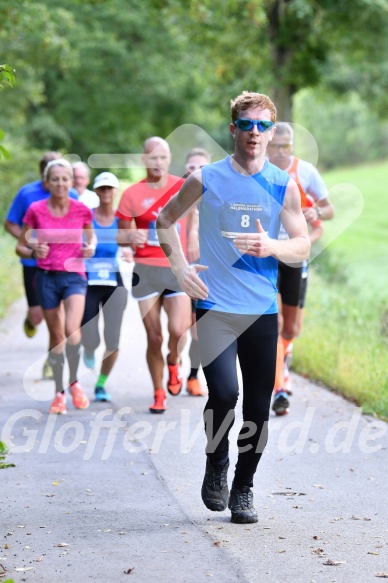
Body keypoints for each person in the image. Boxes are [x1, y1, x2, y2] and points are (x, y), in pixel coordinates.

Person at [156, 91, 310, 524]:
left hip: (261, 310)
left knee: (258, 409)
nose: (256, 133)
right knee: (223, 393)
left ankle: (244, 488)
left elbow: (302, 246)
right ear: (233, 129)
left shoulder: (283, 184)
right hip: (215, 305)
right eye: (248, 124)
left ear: (272, 132)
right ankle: (216, 462)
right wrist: (181, 269)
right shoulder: (207, 178)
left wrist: (273, 245)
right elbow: (164, 221)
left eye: (264, 126)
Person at [16, 159, 96, 415]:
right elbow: (20, 245)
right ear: (47, 182)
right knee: (57, 336)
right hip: (47, 277)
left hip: (74, 276)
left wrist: (90, 248)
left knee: (72, 330)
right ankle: (59, 392)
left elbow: (90, 239)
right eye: (55, 179)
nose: (61, 183)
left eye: (65, 179)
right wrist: (32, 249)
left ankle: (75, 382)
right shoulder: (36, 210)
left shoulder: (82, 210)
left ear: (71, 182)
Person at [117, 137, 191, 414]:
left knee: (177, 331)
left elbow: (194, 218)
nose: (157, 162)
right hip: (145, 270)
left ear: (169, 159)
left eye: (162, 157)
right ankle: (159, 392)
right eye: (152, 157)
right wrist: (129, 236)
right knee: (154, 337)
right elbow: (120, 236)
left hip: (175, 267)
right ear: (144, 160)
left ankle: (174, 361)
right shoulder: (131, 194)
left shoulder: (182, 186)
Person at [266, 122, 334, 415]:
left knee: (292, 328)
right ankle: (279, 388)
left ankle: (287, 352)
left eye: (287, 146)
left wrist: (314, 212)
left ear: (292, 145)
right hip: (267, 255)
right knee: (276, 323)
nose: (281, 152)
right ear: (269, 144)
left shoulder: (305, 172)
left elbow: (328, 210)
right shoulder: (259, 171)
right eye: (276, 146)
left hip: (295, 257)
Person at [4, 151, 78, 379]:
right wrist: (30, 243)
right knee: (39, 316)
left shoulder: (72, 194)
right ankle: (30, 316)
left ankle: (52, 359)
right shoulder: (27, 194)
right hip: (33, 262)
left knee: (58, 316)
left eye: (62, 175)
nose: (57, 181)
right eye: (51, 174)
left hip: (60, 265)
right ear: (43, 175)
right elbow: (10, 224)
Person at [81, 172, 130, 402]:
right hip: (89, 280)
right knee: (90, 336)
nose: (107, 192)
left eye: (111, 188)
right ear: (97, 191)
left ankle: (101, 384)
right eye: (102, 188)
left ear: (115, 191)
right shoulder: (86, 216)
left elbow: (132, 241)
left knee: (113, 339)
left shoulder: (122, 218)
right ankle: (89, 349)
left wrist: (130, 249)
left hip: (114, 281)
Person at [184, 148, 212, 397]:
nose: (196, 172)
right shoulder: (176, 201)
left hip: (204, 273)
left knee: (197, 329)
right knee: (175, 330)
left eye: (201, 167)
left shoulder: (217, 201)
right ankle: (171, 362)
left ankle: (193, 375)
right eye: (191, 167)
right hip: (174, 274)